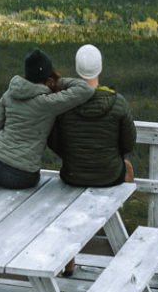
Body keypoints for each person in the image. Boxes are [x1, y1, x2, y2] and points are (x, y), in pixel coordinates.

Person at [0, 48, 94, 189]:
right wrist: (57, 80)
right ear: (49, 78)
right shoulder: (47, 102)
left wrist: (0, 153)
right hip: (23, 177)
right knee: (16, 173)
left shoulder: (9, 94)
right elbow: (86, 89)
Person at [46, 43, 136, 187]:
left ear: (77, 68)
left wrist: (73, 156)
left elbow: (54, 142)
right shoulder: (118, 102)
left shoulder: (63, 102)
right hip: (109, 176)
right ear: (100, 68)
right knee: (128, 166)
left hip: (72, 176)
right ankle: (117, 205)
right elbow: (128, 144)